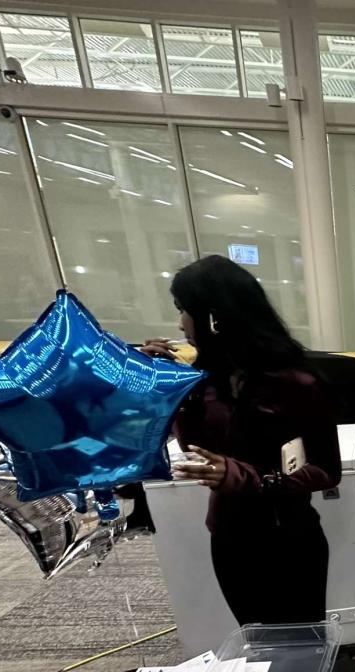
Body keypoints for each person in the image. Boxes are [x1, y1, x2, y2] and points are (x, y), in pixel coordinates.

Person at [140, 255, 341, 625]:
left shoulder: (295, 383)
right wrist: (154, 383)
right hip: (228, 537)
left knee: (300, 643)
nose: (180, 323)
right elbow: (186, 449)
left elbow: (327, 470)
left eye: (184, 310)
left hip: (289, 540)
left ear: (214, 318)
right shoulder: (202, 384)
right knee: (254, 643)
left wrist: (253, 479)